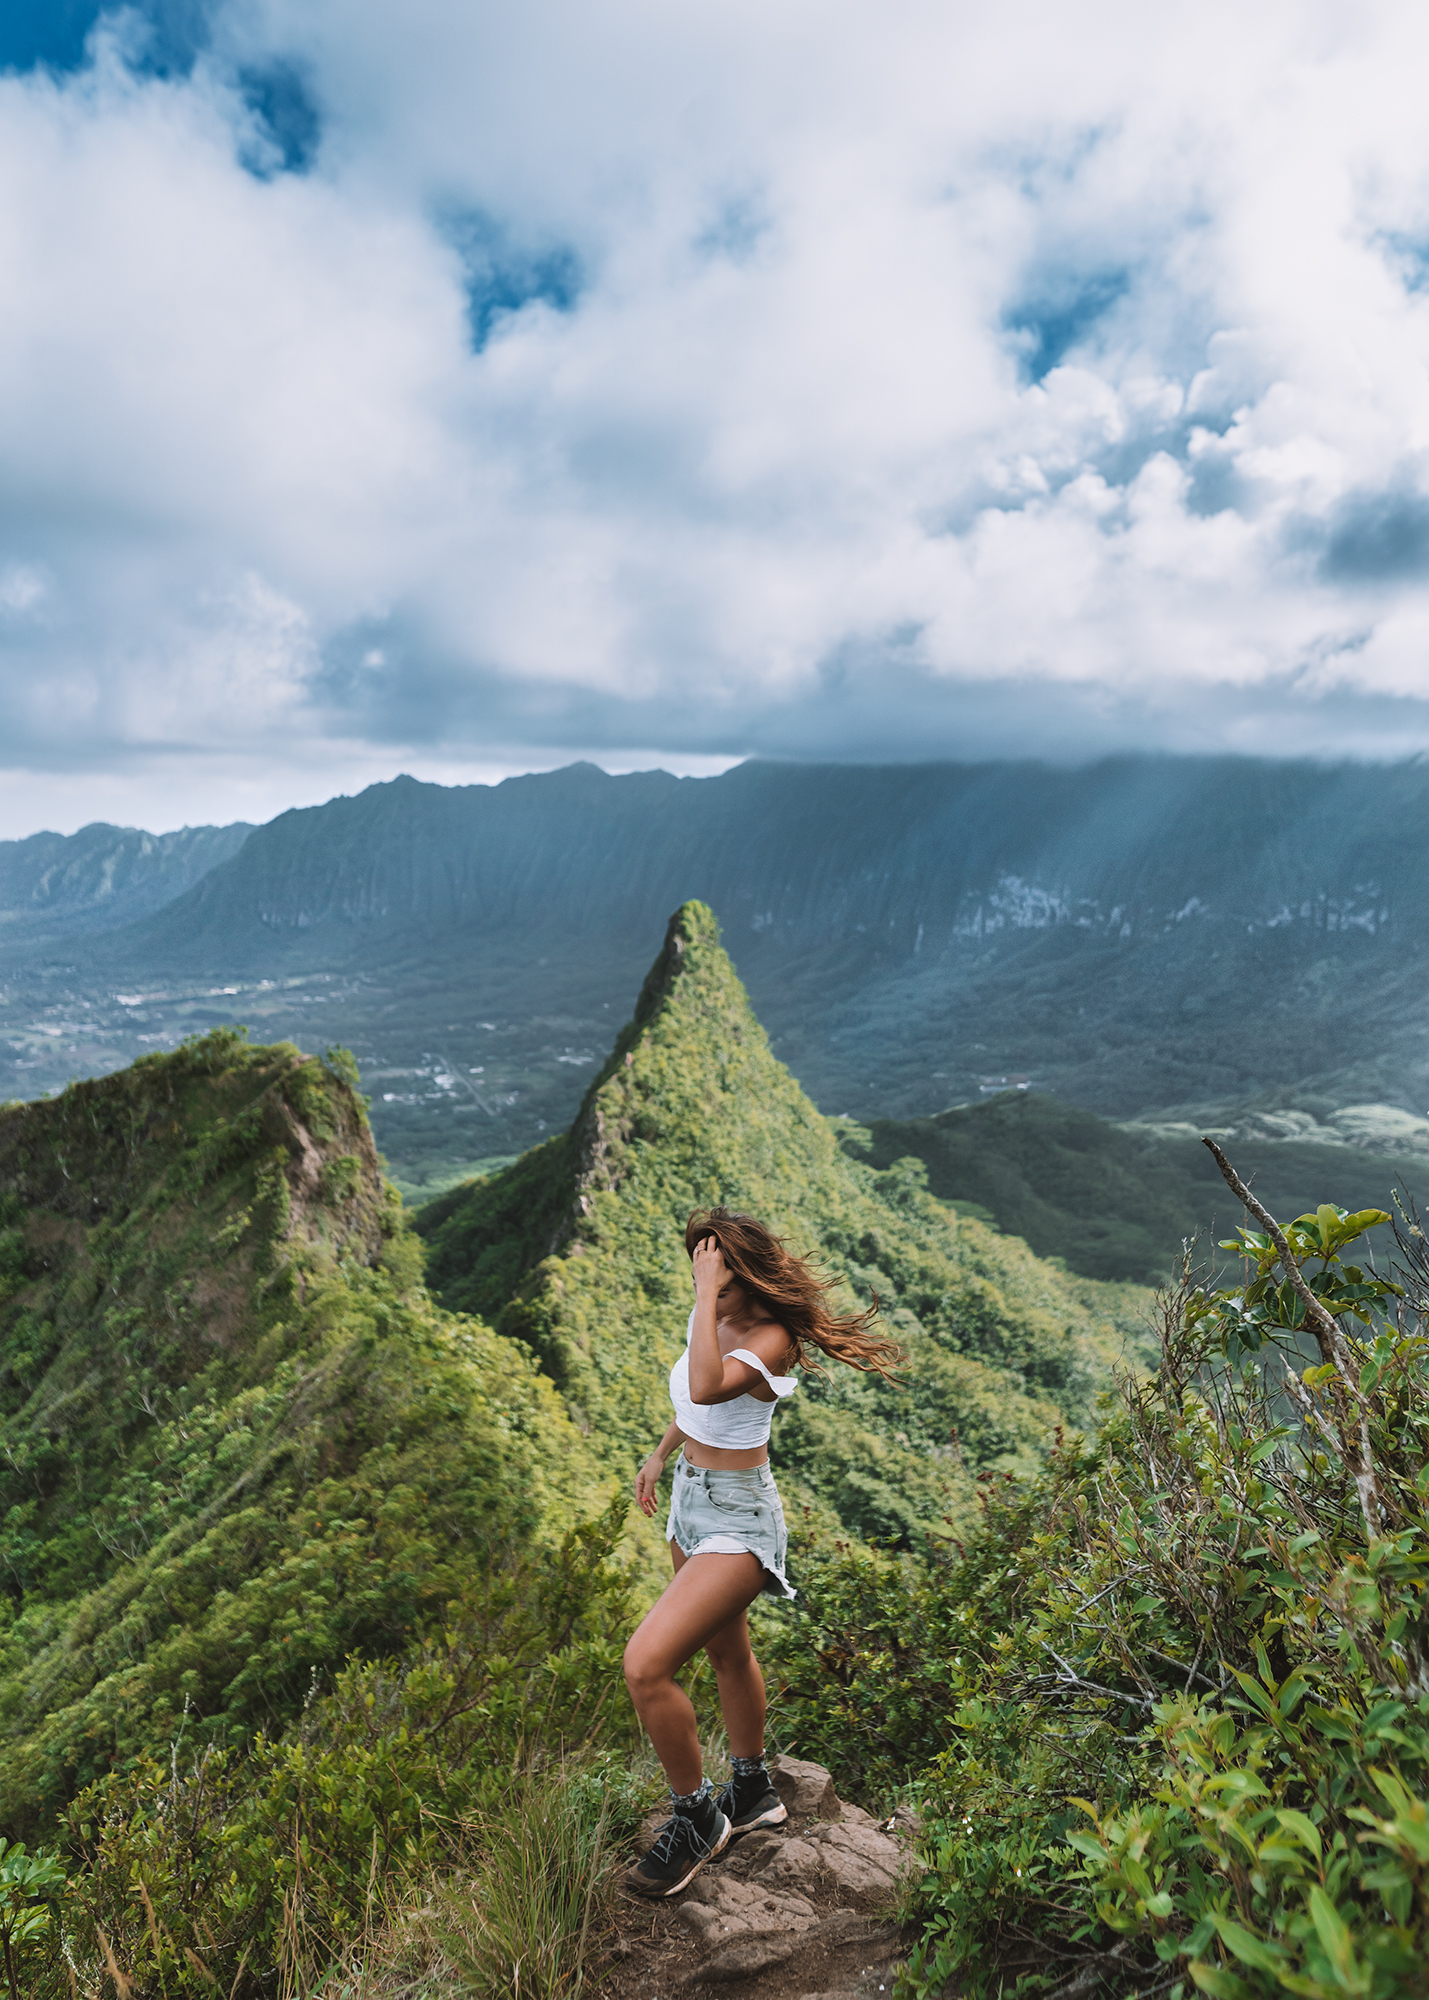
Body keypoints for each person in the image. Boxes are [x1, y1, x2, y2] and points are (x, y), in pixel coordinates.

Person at [622, 1206, 903, 1897]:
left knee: (645, 1665)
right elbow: (690, 1405)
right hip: (690, 1501)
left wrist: (700, 1295)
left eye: (715, 1272)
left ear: (742, 1271)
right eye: (699, 1269)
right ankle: (750, 1792)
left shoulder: (771, 1337)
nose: (705, 1283)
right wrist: (660, 1456)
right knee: (727, 1652)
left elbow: (706, 1384)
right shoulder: (713, 1322)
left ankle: (696, 1820)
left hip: (739, 1517)